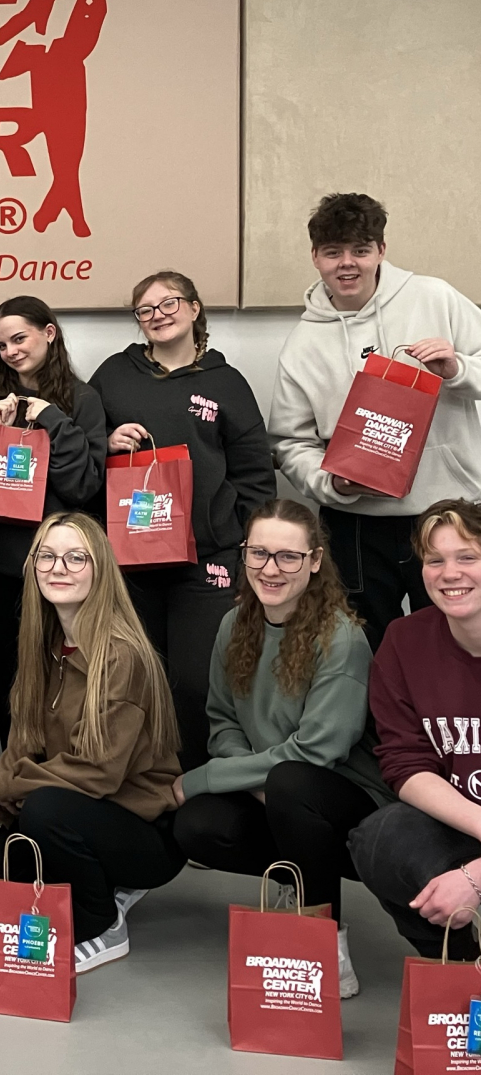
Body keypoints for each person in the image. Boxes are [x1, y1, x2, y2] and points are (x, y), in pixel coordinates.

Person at [0, 511, 184, 973]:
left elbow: (97, 771)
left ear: (100, 569)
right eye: (48, 556)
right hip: (71, 812)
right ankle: (90, 880)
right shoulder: (43, 646)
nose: (59, 568)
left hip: (141, 829)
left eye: (77, 558)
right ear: (32, 567)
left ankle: (102, 922)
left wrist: (5, 792)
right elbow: (21, 746)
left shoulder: (122, 654)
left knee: (45, 810)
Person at [172, 499, 389, 998]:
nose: (271, 569)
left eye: (288, 557)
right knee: (196, 825)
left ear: (314, 561)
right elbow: (222, 723)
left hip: (350, 800)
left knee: (290, 783)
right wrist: (256, 785)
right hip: (277, 788)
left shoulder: (342, 638)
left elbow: (316, 754)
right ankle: (296, 867)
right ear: (244, 555)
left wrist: (202, 778)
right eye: (259, 554)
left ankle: (327, 943)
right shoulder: (235, 625)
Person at [270, 193, 481, 650]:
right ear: (315, 257)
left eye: (361, 250)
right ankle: (377, 726)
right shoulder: (301, 345)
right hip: (358, 525)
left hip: (451, 512)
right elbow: (288, 442)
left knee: (460, 642)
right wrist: (333, 484)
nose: (348, 264)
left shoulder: (436, 297)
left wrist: (457, 370)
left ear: (381, 251)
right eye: (333, 252)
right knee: (365, 648)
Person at [91, 270, 275, 766]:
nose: (158, 315)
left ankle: (198, 786)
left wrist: (250, 554)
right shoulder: (113, 375)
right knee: (133, 682)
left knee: (198, 682)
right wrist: (106, 443)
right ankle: (145, 799)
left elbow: (256, 475)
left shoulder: (227, 383)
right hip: (131, 558)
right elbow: (81, 446)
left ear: (195, 309)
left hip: (207, 560)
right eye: (145, 310)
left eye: (169, 303)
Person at [0, 295, 106, 746]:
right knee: (12, 682)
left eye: (19, 338)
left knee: (66, 680)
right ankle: (11, 787)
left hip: (62, 568)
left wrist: (51, 419)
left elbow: (83, 486)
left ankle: (60, 786)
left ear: (49, 333)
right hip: (1, 568)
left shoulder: (82, 400)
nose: (11, 351)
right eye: (1, 345)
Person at [349, 499, 481, 961]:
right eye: (435, 559)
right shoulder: (405, 641)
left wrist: (477, 877)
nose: (450, 573)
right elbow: (405, 765)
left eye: (467, 557)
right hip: (466, 818)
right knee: (380, 839)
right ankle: (460, 964)